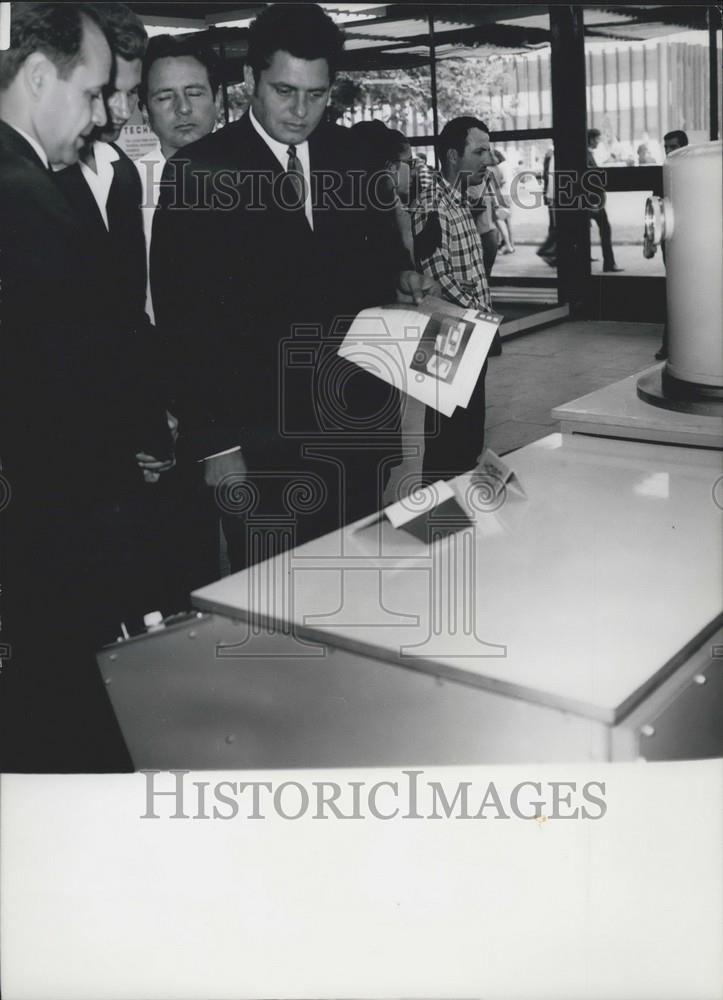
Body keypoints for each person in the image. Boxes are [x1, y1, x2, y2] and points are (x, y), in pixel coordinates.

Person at [151, 3, 433, 572]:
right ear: (252, 80)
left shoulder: (354, 158)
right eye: (284, 91)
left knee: (358, 585)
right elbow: (185, 323)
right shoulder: (199, 171)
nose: (301, 111)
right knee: (279, 611)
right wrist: (218, 446)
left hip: (357, 429)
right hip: (260, 447)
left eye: (317, 94)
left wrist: (402, 276)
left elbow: (384, 255)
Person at [0, 3, 171, 771]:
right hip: (55, 518)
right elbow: (61, 386)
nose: (104, 114)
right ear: (39, 77)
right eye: (94, 93)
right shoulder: (25, 195)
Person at [412, 116, 495, 483]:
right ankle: (438, 526)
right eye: (479, 151)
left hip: (466, 330)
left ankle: (453, 521)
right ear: (450, 156)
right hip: (449, 331)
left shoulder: (456, 199)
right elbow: (437, 276)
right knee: (449, 446)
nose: (488, 160)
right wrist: (481, 318)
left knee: (464, 439)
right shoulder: (433, 203)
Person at [135, 33, 220, 320]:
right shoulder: (127, 187)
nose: (182, 108)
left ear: (217, 100)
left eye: (194, 92)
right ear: (145, 110)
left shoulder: (261, 178)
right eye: (165, 96)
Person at [351, 119, 414, 263]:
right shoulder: (376, 216)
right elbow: (407, 279)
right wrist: (406, 234)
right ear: (391, 166)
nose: (414, 171)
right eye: (410, 162)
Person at [655, 129, 689, 360]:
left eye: (673, 147)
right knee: (675, 290)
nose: (668, 151)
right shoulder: (665, 172)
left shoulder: (694, 172)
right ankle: (669, 344)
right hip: (672, 240)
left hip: (690, 240)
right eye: (666, 147)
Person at [587, 128, 623, 272]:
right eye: (597, 139)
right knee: (605, 230)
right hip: (592, 202)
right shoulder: (587, 155)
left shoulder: (588, 154)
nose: (599, 141)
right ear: (590, 139)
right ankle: (609, 263)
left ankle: (608, 262)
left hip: (590, 202)